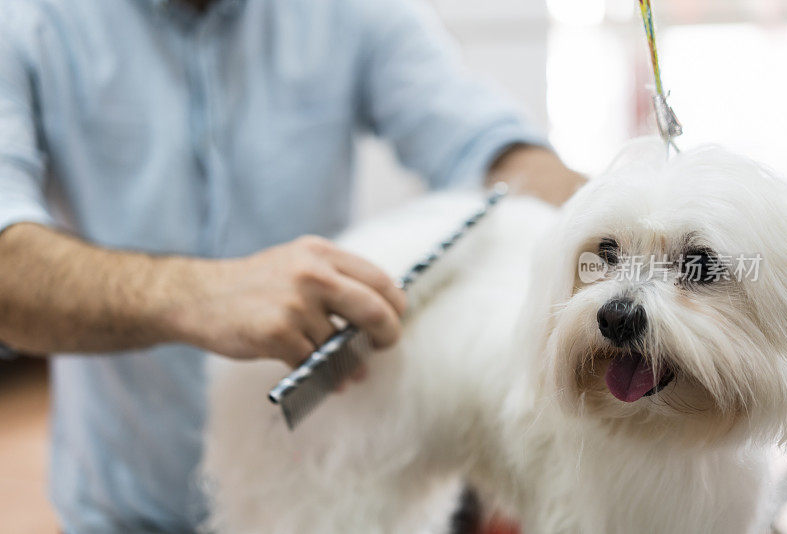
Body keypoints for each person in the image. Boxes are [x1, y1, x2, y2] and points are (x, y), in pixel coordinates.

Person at [0, 0, 583, 531]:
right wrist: (199, 294)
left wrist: (601, 219)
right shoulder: (28, 20)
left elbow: (494, 149)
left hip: (325, 487)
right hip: (124, 509)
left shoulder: (353, 14)